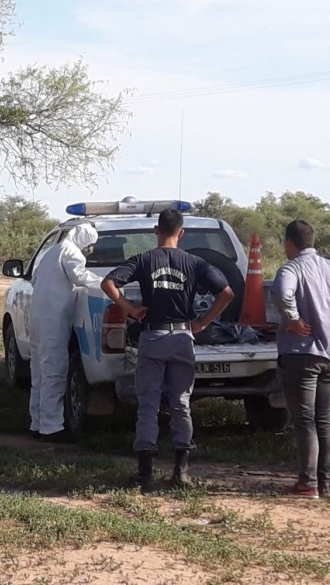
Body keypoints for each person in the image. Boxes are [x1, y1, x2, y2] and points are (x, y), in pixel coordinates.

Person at [101, 209, 234, 488]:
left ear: (156, 230)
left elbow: (108, 283)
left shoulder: (144, 259)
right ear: (181, 233)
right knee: (181, 403)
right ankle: (181, 472)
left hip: (153, 336)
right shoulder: (195, 262)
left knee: (148, 404)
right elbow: (227, 293)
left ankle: (145, 472)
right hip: (182, 338)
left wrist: (132, 309)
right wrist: (203, 322)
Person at [272, 219, 330, 499]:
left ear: (289, 243)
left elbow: (283, 293)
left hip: (301, 356)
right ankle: (326, 482)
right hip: (329, 355)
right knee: (324, 419)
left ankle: (308, 483)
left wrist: (293, 320)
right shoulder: (329, 267)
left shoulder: (291, 268)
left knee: (304, 421)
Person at [28, 223, 100, 443]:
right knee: (54, 372)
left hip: (39, 319)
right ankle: (51, 428)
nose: (89, 250)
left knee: (39, 373)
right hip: (53, 320)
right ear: (83, 240)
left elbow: (36, 279)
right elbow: (80, 276)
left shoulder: (52, 252)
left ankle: (37, 422)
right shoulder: (70, 252)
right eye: (90, 245)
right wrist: (106, 284)